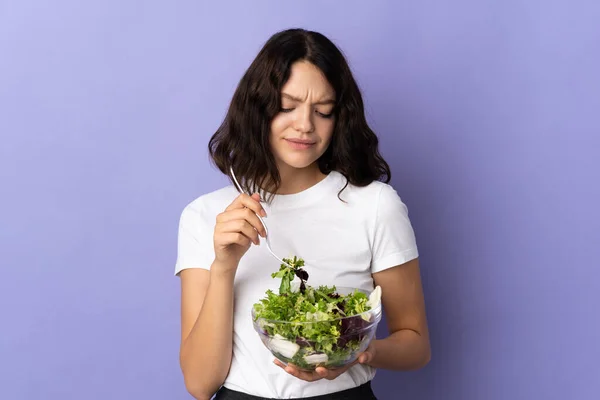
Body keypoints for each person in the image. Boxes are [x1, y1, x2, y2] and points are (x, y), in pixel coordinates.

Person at [174, 28, 431, 400]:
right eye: (287, 106)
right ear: (258, 109)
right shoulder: (206, 215)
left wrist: (360, 352)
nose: (305, 125)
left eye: (323, 111)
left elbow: (416, 345)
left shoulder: (375, 205)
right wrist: (224, 266)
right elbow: (200, 384)